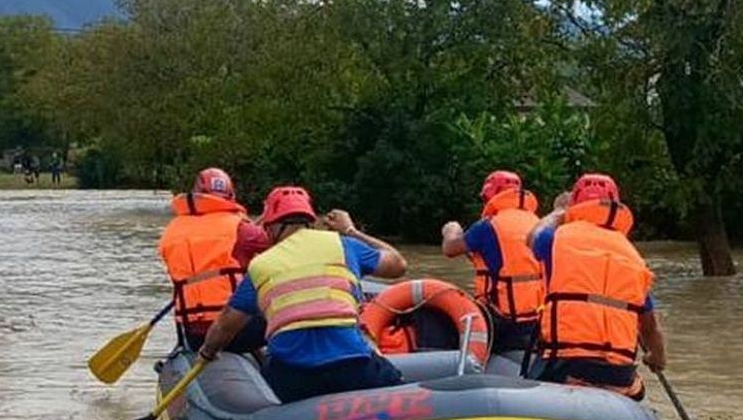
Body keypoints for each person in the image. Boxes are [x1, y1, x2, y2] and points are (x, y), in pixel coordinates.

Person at [198, 186, 409, 403]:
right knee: (397, 388)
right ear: (312, 221)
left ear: (270, 228)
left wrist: (207, 353)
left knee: (269, 379)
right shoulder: (344, 245)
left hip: (293, 376)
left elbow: (225, 325)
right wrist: (351, 230)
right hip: (353, 366)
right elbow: (398, 265)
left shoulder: (260, 266)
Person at [525, 173, 667, 400]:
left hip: (564, 365)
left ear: (575, 205)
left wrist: (559, 212)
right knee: (636, 387)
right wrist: (656, 357)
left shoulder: (557, 239)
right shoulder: (633, 257)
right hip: (618, 374)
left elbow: (532, 238)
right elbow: (651, 328)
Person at [157, 167, 267, 353]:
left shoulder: (172, 230)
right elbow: (280, 247)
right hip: (236, 332)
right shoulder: (242, 229)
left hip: (193, 335)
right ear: (230, 195)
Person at [441, 170, 544, 352]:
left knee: (443, 324)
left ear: (491, 195)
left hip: (499, 321)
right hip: (536, 321)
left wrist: (452, 231)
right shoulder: (539, 224)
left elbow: (450, 249)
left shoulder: (487, 226)